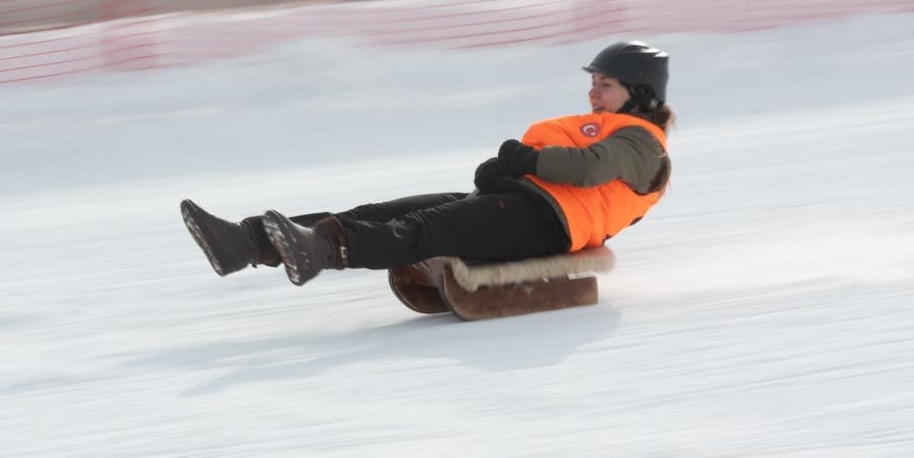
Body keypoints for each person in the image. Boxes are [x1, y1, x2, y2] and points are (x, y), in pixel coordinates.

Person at [181, 41, 675, 287]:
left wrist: (525, 159)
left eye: (605, 84)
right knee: (379, 210)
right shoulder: (615, 128)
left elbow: (587, 169)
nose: (593, 92)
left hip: (544, 226)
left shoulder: (643, 145)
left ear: (641, 94)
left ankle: (321, 250)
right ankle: (244, 243)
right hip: (517, 206)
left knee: (417, 229)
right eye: (593, 82)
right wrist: (506, 174)